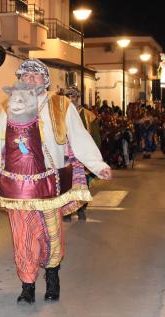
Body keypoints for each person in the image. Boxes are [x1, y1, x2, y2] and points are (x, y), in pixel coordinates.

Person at [0, 59, 112, 305]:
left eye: (36, 75)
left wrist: (98, 165)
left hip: (49, 185)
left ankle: (52, 277)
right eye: (26, 75)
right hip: (17, 186)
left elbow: (79, 137)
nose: (30, 79)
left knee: (50, 233)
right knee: (23, 235)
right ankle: (27, 284)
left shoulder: (61, 105)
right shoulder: (10, 106)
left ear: (46, 80)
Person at [63, 86, 101, 221]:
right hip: (66, 156)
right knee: (66, 183)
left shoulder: (89, 115)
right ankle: (67, 211)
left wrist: (92, 158)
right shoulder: (59, 113)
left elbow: (96, 138)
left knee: (83, 184)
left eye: (73, 96)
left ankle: (81, 210)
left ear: (77, 97)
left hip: (82, 155)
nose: (70, 99)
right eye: (68, 96)